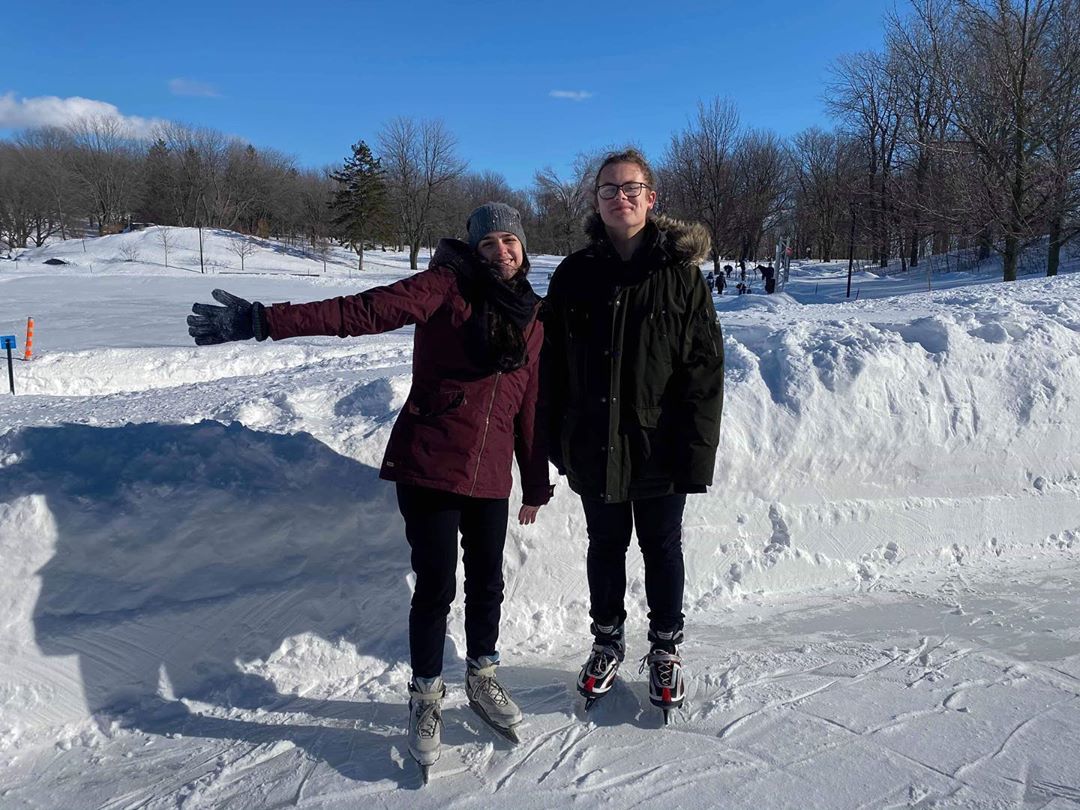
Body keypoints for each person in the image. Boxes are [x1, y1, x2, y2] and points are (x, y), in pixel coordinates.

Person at [186, 202, 551, 780]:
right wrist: (265, 321)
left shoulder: (533, 315)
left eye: (510, 241)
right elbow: (364, 310)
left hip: (490, 475)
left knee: (488, 580)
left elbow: (529, 404)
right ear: (473, 250)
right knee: (436, 585)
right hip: (430, 461)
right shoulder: (445, 287)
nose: (501, 252)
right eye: (489, 244)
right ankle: (426, 693)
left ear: (523, 248)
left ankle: (483, 673)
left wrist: (534, 482)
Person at [541, 149, 723, 723]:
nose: (620, 197)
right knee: (605, 546)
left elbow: (703, 373)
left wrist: (695, 456)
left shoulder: (680, 278)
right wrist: (557, 441)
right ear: (595, 202)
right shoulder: (574, 275)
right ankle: (607, 640)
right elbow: (551, 367)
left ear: (651, 197)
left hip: (659, 448)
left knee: (662, 548)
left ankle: (665, 647)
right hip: (594, 445)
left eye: (630, 188)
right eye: (608, 190)